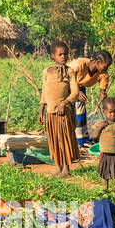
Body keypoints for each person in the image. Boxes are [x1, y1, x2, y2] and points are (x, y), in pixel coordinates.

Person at [39, 41, 80, 176]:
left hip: (64, 111)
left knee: (65, 138)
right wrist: (41, 110)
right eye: (60, 54)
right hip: (51, 112)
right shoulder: (47, 72)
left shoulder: (69, 71)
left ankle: (66, 169)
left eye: (66, 54)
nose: (63, 57)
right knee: (54, 139)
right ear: (53, 56)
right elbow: (44, 92)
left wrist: (64, 103)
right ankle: (58, 166)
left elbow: (74, 92)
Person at [69, 51, 112, 152]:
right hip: (67, 86)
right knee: (69, 114)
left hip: (80, 88)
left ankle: (81, 140)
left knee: (80, 114)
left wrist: (102, 95)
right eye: (105, 66)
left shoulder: (103, 73)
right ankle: (72, 140)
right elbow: (66, 77)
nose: (106, 69)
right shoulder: (79, 65)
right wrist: (77, 92)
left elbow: (103, 86)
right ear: (97, 62)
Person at [90, 96, 115, 194]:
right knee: (104, 173)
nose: (113, 114)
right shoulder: (102, 124)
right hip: (105, 154)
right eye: (110, 112)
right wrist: (100, 127)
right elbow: (94, 136)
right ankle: (104, 189)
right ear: (104, 112)